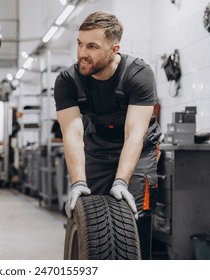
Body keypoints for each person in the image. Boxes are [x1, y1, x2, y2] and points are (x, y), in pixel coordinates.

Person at [54, 11, 161, 259]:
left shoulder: (138, 75)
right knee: (90, 212)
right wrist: (78, 182)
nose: (82, 53)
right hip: (98, 145)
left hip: (139, 147)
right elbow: (72, 133)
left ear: (114, 50)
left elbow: (134, 133)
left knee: (132, 215)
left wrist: (122, 181)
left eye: (92, 46)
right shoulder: (68, 80)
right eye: (80, 44)